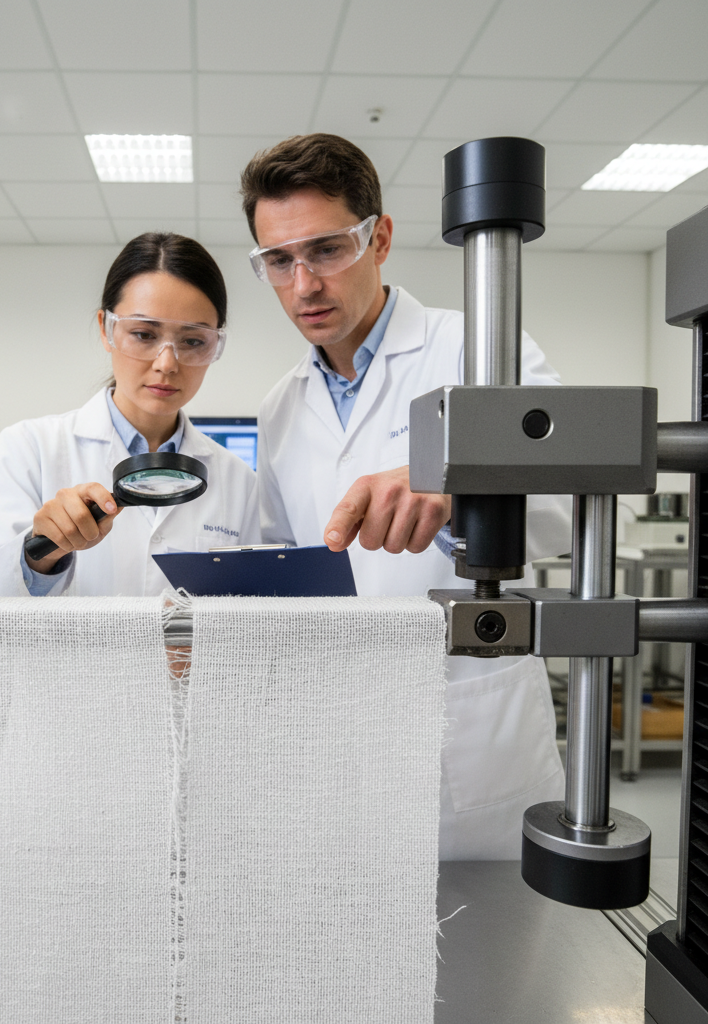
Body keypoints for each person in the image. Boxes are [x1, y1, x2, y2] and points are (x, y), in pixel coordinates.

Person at [240, 134, 572, 859]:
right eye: (279, 260)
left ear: (379, 237)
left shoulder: (476, 348)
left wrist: (455, 483)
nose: (304, 285)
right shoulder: (280, 406)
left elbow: (568, 506)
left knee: (494, 963)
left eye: (327, 249)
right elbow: (283, 558)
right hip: (331, 738)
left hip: (467, 736)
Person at [0, 233, 259, 598]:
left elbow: (251, 614)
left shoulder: (238, 481)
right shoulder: (30, 449)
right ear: (105, 330)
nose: (167, 364)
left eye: (193, 341)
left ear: (215, 345)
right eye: (143, 334)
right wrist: (40, 553)